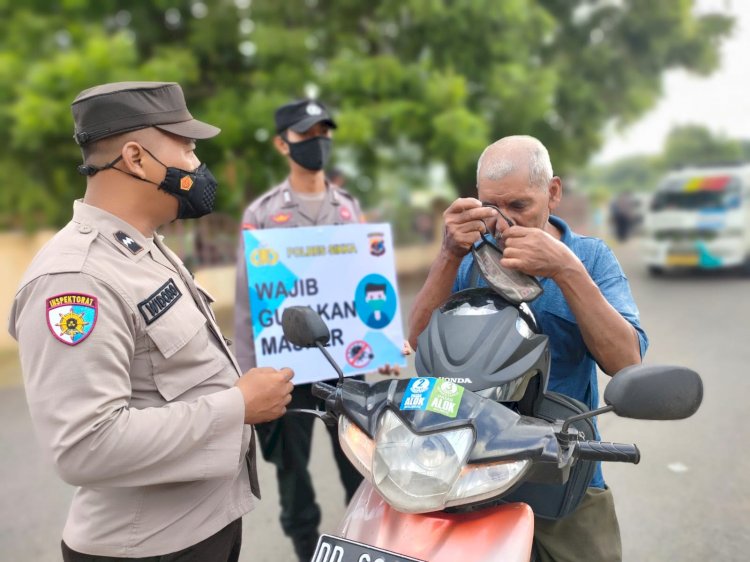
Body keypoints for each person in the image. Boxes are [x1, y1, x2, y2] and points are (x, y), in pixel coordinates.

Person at [8, 81, 295, 561]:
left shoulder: (142, 246)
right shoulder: (75, 279)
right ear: (136, 158)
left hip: (202, 528)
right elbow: (85, 445)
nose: (196, 163)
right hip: (147, 550)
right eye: (184, 146)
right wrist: (236, 407)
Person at [408, 135, 648, 562]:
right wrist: (448, 252)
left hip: (566, 476)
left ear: (552, 192)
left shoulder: (590, 258)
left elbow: (626, 362)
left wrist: (565, 268)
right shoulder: (468, 260)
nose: (504, 223)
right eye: (491, 207)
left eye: (520, 206)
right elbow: (418, 346)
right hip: (469, 470)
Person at [233, 99, 365, 561]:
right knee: (292, 473)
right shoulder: (263, 214)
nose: (318, 142)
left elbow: (366, 291)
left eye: (324, 132)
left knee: (360, 465)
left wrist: (383, 343)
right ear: (281, 143)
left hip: (343, 367)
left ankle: (363, 546)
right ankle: (305, 551)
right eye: (306, 135)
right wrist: (247, 374)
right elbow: (249, 304)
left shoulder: (349, 210)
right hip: (284, 372)